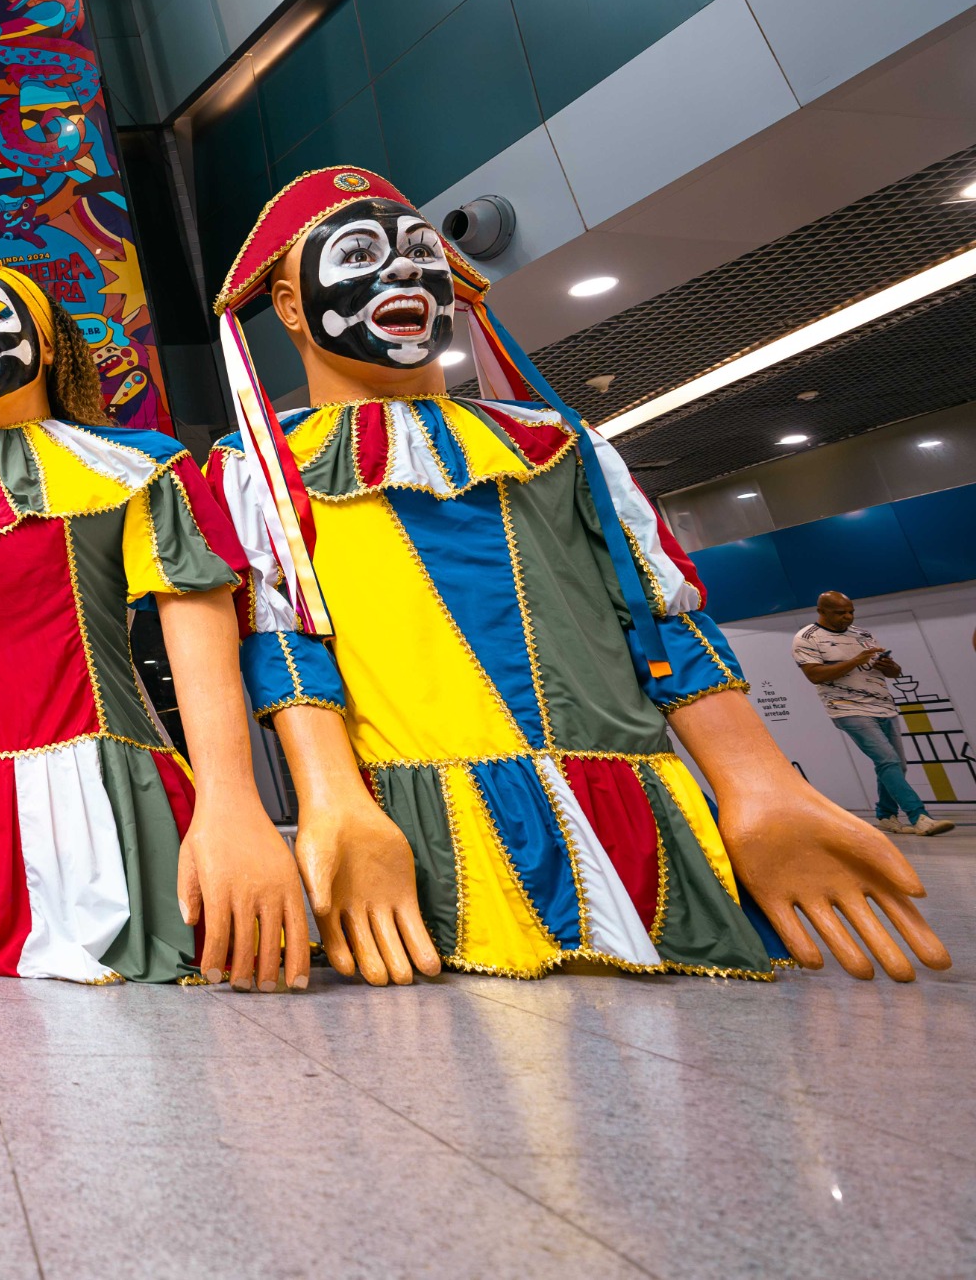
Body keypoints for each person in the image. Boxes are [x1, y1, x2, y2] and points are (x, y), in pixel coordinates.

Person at [204, 166, 949, 983]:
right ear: (287, 308)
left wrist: (756, 784)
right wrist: (333, 801)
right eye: (358, 255)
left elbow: (658, 611)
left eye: (422, 251)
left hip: (645, 833)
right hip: (429, 857)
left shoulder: (558, 441)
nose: (404, 273)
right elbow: (287, 644)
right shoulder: (259, 469)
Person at [0, 231, 310, 986]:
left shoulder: (139, 468)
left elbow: (200, 616)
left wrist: (231, 802)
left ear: (52, 344)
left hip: (128, 795)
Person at [795, 593, 952, 836]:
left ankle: (886, 815)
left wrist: (891, 668)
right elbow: (815, 675)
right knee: (887, 760)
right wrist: (856, 660)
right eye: (840, 613)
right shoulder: (807, 638)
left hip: (883, 706)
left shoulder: (862, 634)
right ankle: (919, 816)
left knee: (896, 764)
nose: (848, 616)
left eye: (851, 611)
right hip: (847, 707)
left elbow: (893, 672)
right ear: (822, 611)